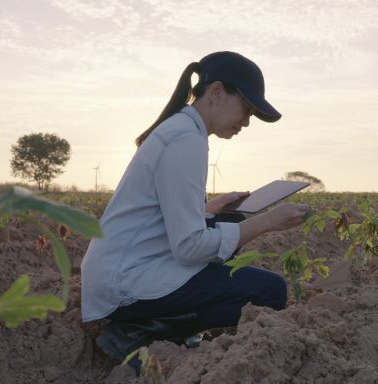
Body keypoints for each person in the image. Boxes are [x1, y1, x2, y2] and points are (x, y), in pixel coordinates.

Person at [80, 51, 311, 362]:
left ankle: (149, 326)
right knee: (271, 292)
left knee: (223, 237)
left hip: (118, 272)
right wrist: (268, 221)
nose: (246, 121)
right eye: (247, 108)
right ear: (216, 92)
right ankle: (140, 332)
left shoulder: (180, 131)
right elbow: (189, 246)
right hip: (126, 284)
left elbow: (160, 216)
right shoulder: (186, 140)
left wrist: (209, 210)